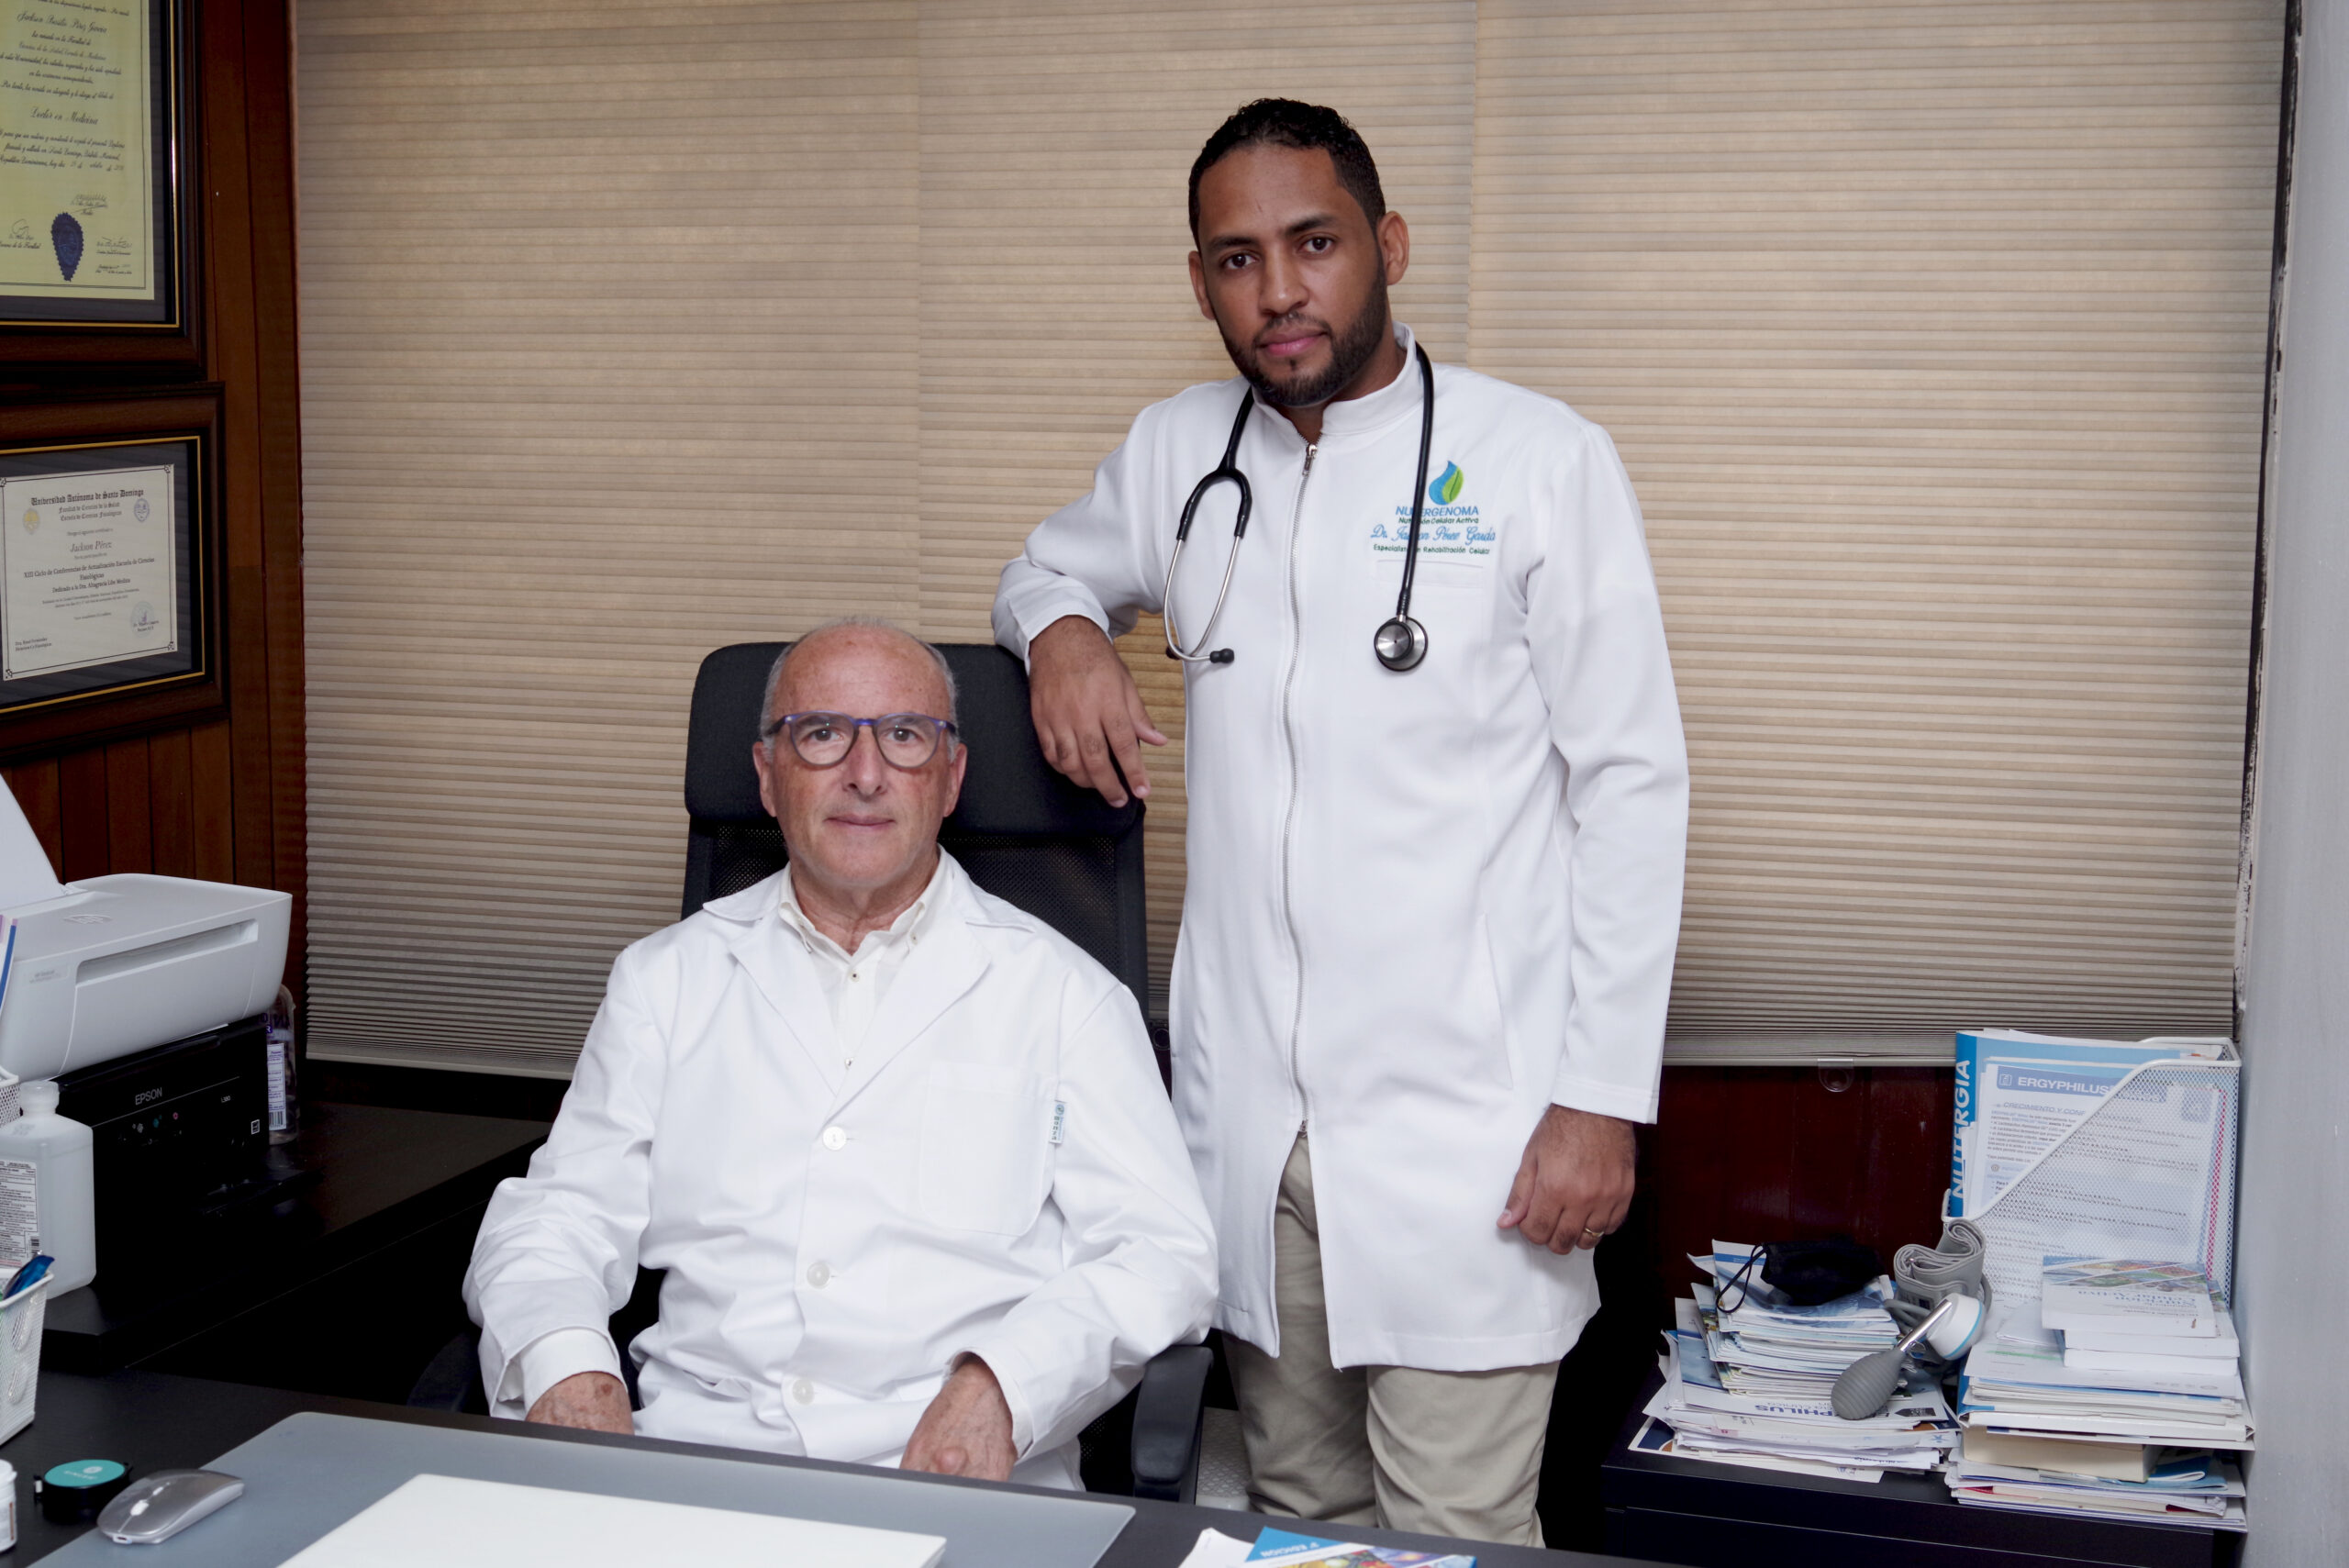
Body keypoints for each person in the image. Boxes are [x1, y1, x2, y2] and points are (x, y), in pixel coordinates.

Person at [992, 100, 1689, 1542]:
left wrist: (1600, 1098)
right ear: (1201, 283)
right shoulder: (1179, 451)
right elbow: (1045, 568)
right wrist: (1063, 633)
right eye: (1237, 259)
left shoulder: (1538, 460)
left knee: (1452, 1537)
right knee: (1301, 1524)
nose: (1280, 290)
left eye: (1314, 244)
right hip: (1255, 1134)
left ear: (1389, 245)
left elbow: (1633, 783)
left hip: (1473, 1132)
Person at [463, 617, 1218, 1489]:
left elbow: (1163, 1254)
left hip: (954, 1476)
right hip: (697, 1466)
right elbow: (559, 1217)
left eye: (905, 735)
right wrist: (568, 1369)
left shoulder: (1066, 997)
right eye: (822, 734)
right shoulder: (664, 981)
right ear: (767, 774)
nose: (865, 773)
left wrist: (1003, 1384)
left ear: (952, 777)